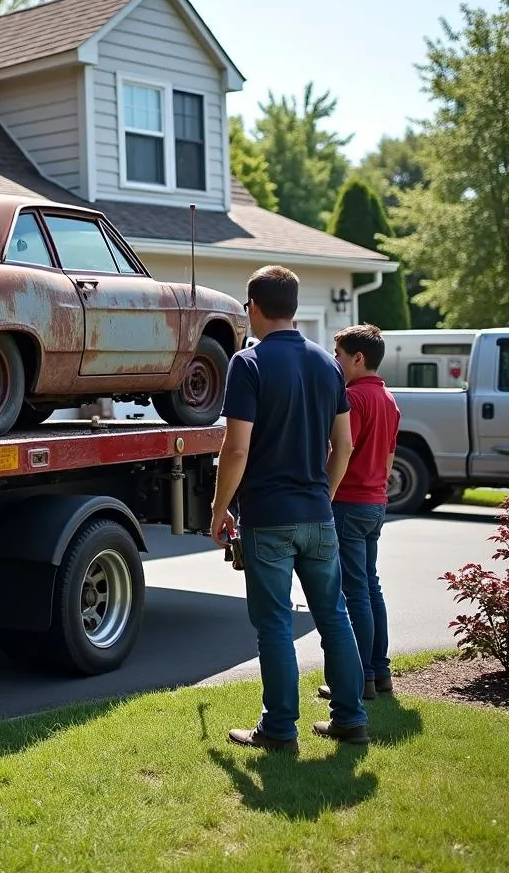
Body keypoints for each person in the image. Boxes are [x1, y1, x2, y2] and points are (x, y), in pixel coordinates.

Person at [209, 265, 369, 752]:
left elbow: (236, 450)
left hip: (268, 518)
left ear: (254, 306)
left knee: (275, 624)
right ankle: (350, 720)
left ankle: (279, 730)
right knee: (334, 616)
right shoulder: (327, 364)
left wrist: (219, 509)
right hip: (318, 514)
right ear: (294, 306)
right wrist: (326, 492)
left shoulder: (247, 363)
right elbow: (343, 445)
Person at [318, 324, 401, 703]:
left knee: (354, 592)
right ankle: (380, 671)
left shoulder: (353, 397)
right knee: (370, 585)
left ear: (358, 358)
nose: (336, 361)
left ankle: (361, 677)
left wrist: (327, 494)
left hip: (348, 504)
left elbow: (343, 448)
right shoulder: (388, 398)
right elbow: (387, 458)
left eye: (338, 355)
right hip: (375, 502)